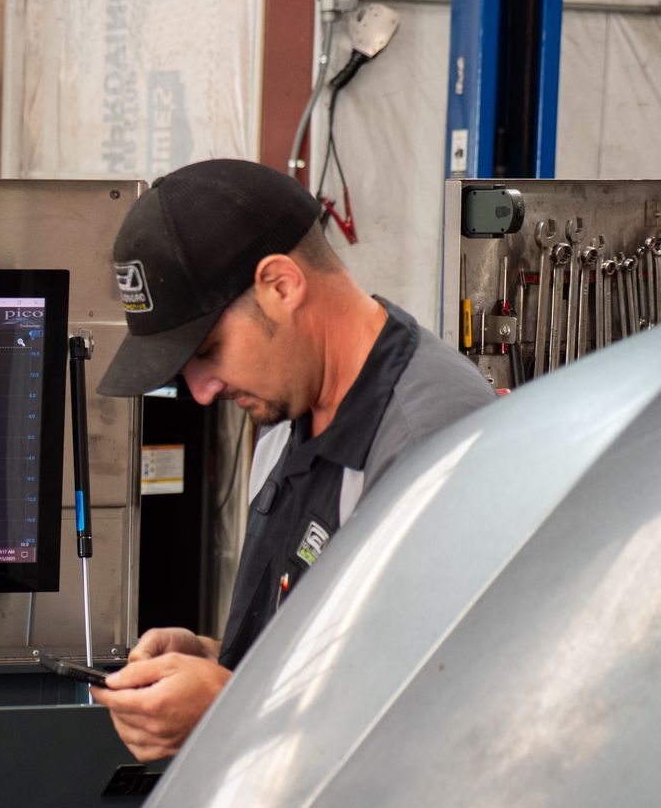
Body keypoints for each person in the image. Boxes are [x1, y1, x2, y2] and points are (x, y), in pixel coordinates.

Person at [90, 159, 494, 762]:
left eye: (208, 351)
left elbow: (441, 714)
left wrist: (229, 706)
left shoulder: (432, 442)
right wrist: (217, 658)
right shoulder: (286, 415)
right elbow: (340, 655)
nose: (200, 392)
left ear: (281, 285)